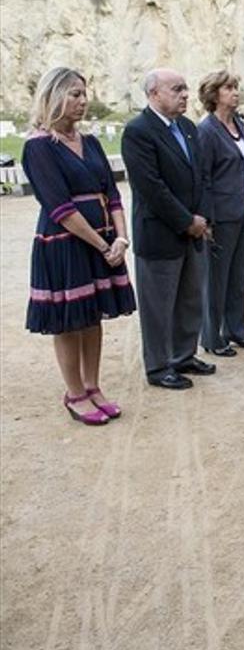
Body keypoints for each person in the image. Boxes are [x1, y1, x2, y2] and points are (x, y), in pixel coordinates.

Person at [23, 67, 136, 424]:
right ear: (53, 96)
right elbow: (60, 208)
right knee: (69, 321)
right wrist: (103, 245)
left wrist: (120, 237)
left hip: (102, 240)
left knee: (92, 317)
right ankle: (74, 393)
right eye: (73, 94)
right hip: (65, 244)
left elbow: (113, 194)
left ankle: (93, 386)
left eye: (84, 93)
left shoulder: (92, 142)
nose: (82, 101)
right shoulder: (38, 147)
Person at [122, 67, 214, 389]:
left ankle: (184, 355)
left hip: (194, 230)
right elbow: (151, 187)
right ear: (153, 94)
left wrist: (201, 218)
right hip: (161, 233)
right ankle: (160, 366)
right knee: (159, 305)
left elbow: (202, 176)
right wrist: (187, 221)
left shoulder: (188, 128)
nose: (185, 95)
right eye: (177, 89)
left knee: (190, 298)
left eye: (185, 89)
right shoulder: (138, 131)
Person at [196, 70, 244, 357]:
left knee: (239, 274)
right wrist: (207, 218)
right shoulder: (207, 130)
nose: (235, 92)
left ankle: (237, 330)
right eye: (228, 88)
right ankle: (213, 337)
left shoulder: (239, 124)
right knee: (216, 278)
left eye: (236, 87)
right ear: (214, 94)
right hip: (220, 213)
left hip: (243, 207)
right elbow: (204, 178)